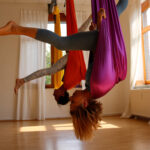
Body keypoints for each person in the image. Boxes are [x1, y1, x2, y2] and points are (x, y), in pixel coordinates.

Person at [0, 0, 128, 140]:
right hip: (106, 41)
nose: (71, 97)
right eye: (74, 102)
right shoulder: (98, 84)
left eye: (70, 101)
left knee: (118, 10)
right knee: (62, 43)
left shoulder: (91, 88)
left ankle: (15, 29)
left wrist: (98, 25)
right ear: (84, 104)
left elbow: (95, 58)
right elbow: (107, 51)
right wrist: (102, 25)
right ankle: (14, 28)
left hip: (100, 42)